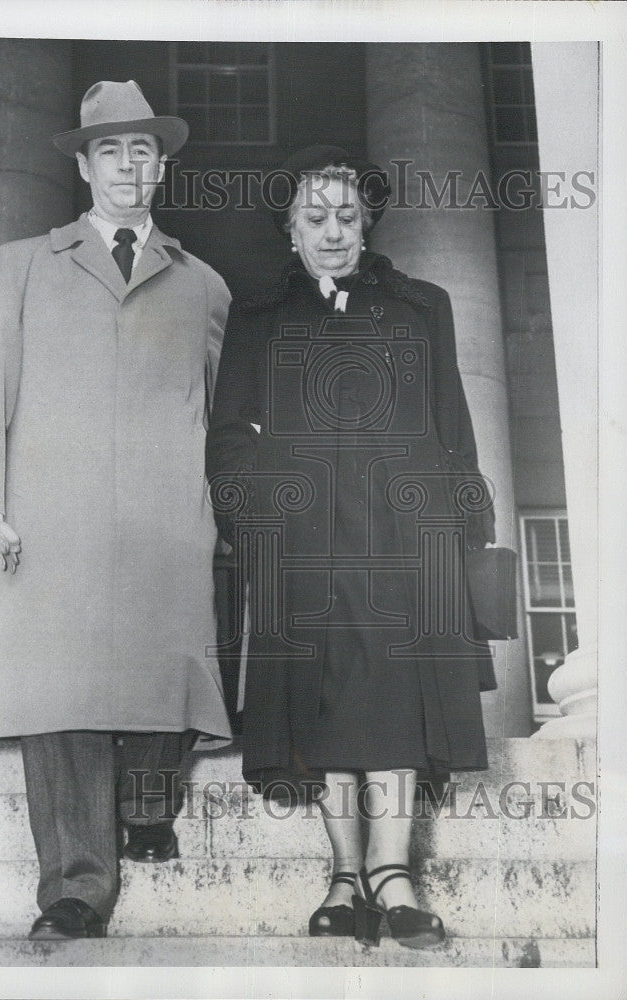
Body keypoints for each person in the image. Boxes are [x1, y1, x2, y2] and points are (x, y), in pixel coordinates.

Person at [0, 80, 232, 939]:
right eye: (112, 149)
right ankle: (74, 887)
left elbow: (212, 410)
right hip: (50, 514)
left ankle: (145, 811)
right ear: (82, 164)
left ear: (162, 166)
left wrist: (210, 513)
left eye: (144, 149)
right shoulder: (20, 263)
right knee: (60, 697)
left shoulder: (203, 285)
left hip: (163, 516)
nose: (129, 163)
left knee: (162, 670)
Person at [206, 146, 496, 949]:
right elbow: (227, 442)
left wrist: (464, 520)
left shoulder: (420, 306)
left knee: (397, 699)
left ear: (366, 223)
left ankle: (394, 876)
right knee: (321, 704)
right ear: (289, 231)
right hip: (301, 543)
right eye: (314, 217)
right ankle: (342, 875)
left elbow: (453, 427)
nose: (332, 232)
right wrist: (256, 509)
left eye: (345, 216)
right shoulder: (259, 319)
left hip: (405, 538)